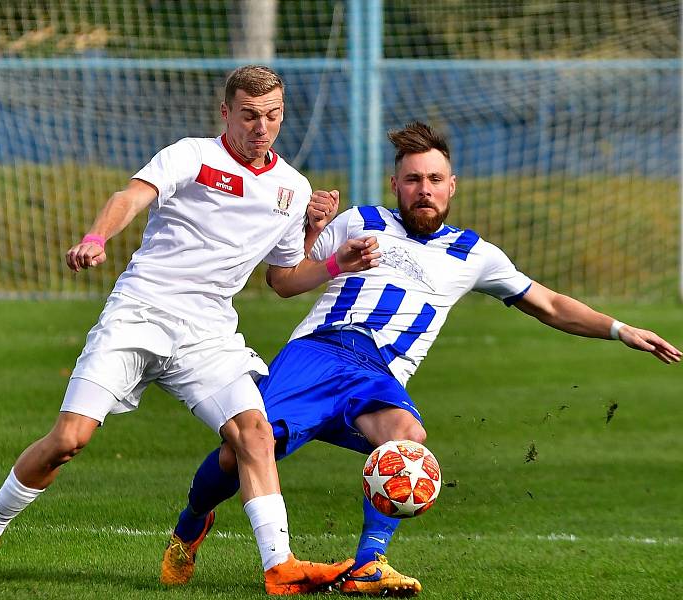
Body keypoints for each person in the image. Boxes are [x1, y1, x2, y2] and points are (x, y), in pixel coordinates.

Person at [159, 121, 682, 596]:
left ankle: (368, 563)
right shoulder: (360, 220)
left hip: (378, 374)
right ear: (396, 186)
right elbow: (282, 282)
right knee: (241, 453)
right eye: (413, 180)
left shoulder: (476, 254)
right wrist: (314, 233)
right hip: (319, 351)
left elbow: (549, 304)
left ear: (451, 186)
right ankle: (190, 526)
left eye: (434, 179)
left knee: (408, 440)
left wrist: (620, 329)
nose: (424, 189)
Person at [0, 65, 383, 595]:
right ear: (225, 112)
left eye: (273, 115)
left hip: (207, 332)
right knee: (69, 440)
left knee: (253, 433)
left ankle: (280, 567)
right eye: (250, 115)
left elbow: (281, 280)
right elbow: (131, 196)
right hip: (138, 313)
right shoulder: (191, 155)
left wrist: (334, 263)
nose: (262, 126)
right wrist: (96, 237)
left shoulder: (291, 188)